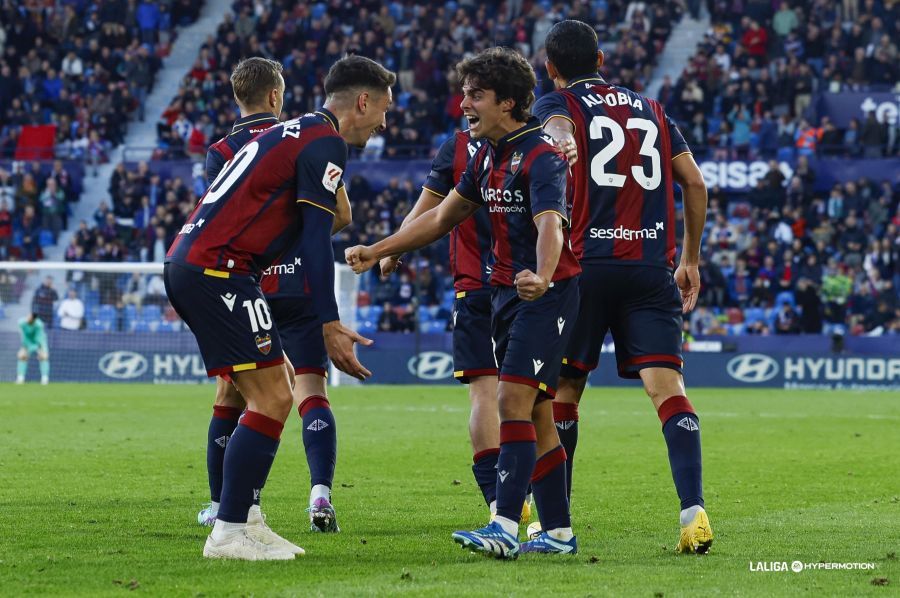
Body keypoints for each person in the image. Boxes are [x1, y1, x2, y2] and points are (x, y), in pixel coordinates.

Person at [346, 47, 580, 559]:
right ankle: (559, 532)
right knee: (538, 416)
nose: (463, 104)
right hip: (502, 295)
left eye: (476, 95)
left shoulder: (540, 156)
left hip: (546, 296)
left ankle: (503, 524)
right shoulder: (484, 155)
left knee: (510, 402)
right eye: (464, 92)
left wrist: (541, 277)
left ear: (510, 102)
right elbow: (440, 218)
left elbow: (550, 226)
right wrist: (378, 248)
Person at [165, 55, 394, 561]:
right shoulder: (325, 141)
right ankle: (229, 531)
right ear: (362, 101)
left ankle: (245, 519)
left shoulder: (294, 131)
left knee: (274, 386)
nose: (384, 122)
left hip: (207, 266)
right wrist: (330, 322)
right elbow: (319, 233)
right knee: (271, 396)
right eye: (383, 108)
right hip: (217, 271)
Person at [532, 20, 712, 554]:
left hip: (584, 267)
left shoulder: (557, 102)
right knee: (668, 392)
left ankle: (555, 526)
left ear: (551, 69)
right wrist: (691, 258)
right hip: (649, 269)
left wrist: (561, 138)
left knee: (564, 393)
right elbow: (695, 184)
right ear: (603, 58)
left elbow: (561, 128)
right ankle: (693, 510)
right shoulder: (653, 110)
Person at [197, 57, 353, 536]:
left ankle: (228, 503)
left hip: (247, 285)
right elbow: (340, 215)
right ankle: (320, 493)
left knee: (233, 393)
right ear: (275, 96)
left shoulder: (221, 150)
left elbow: (227, 218)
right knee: (310, 390)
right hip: (300, 284)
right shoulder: (301, 140)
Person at [17, 313, 50, 385]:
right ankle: (20, 378)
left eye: (29, 317)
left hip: (38, 342)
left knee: (43, 357)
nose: (27, 318)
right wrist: (25, 346)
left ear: (34, 319)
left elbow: (40, 337)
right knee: (22, 356)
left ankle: (44, 378)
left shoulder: (39, 325)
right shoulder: (22, 322)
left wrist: (41, 348)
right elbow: (23, 334)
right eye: (27, 316)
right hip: (27, 342)